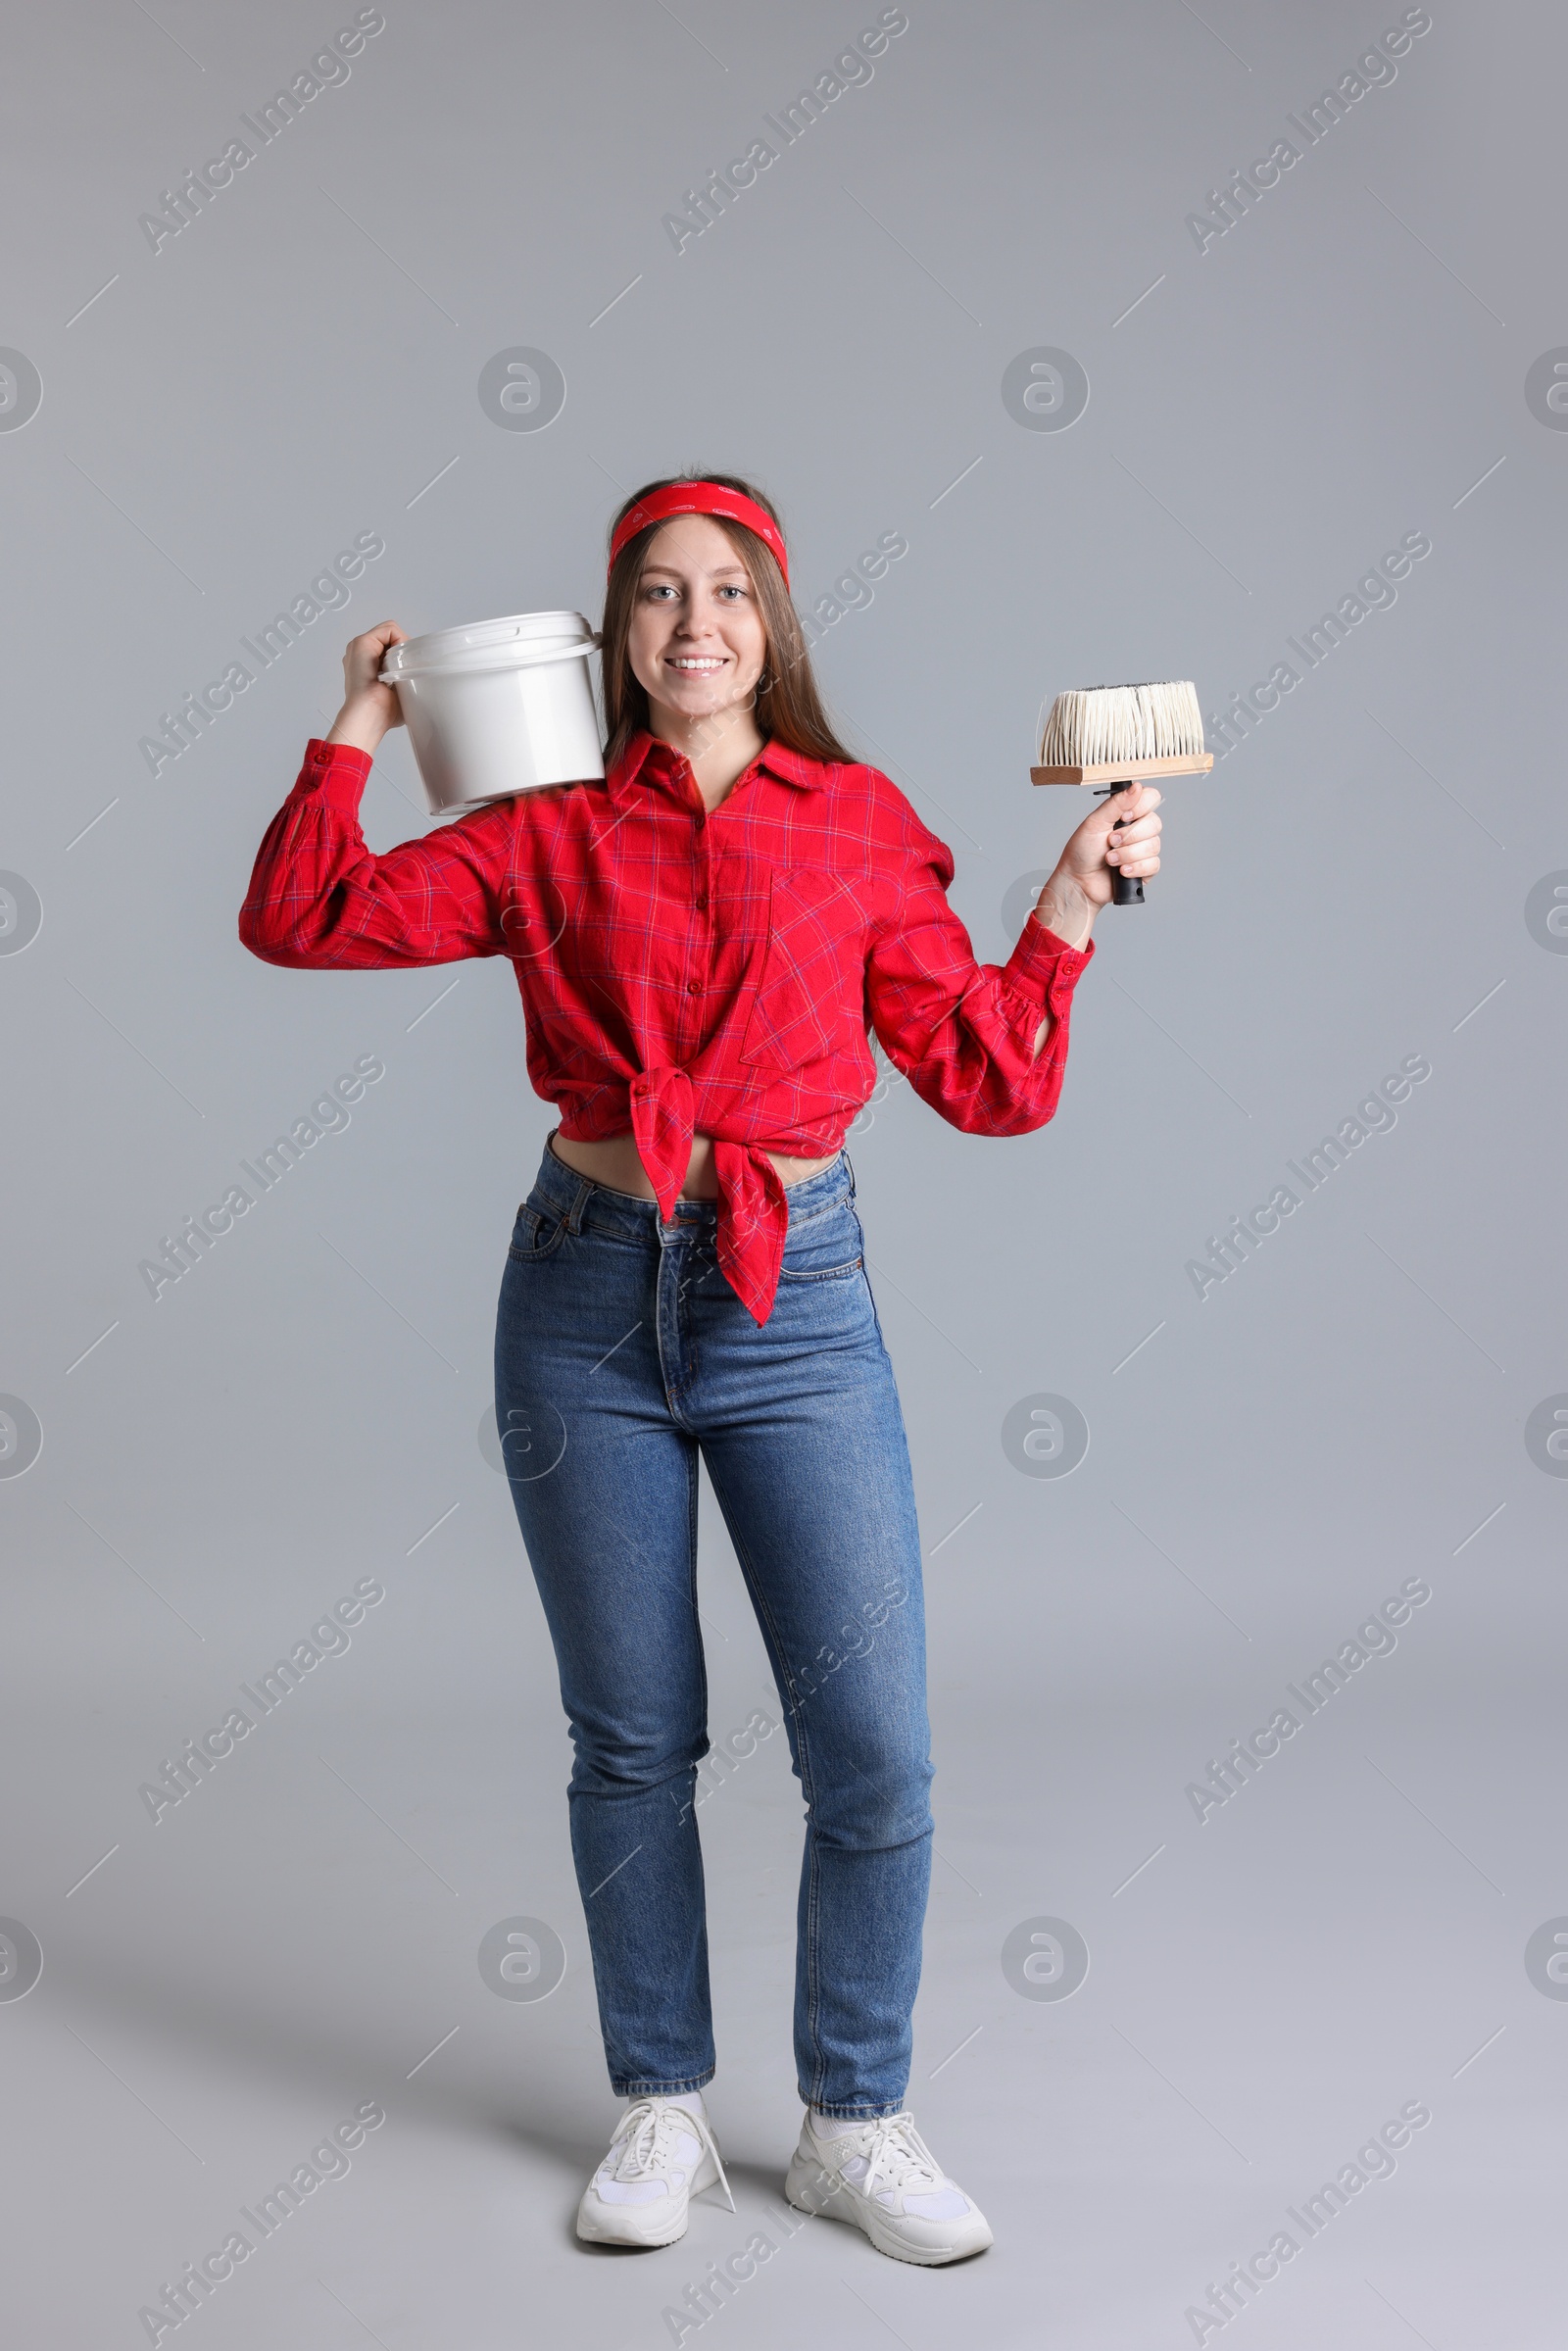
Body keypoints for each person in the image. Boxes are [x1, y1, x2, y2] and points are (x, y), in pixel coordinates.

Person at [238, 472, 1161, 2267]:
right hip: (582, 1300)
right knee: (631, 1740)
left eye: (727, 592)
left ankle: (852, 2122)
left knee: (874, 1753)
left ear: (775, 622)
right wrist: (358, 725)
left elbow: (988, 1075)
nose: (693, 625)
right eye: (655, 593)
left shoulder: (863, 825)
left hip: (793, 1302)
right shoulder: (542, 823)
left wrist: (1068, 901)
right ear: (614, 629)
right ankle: (660, 2103)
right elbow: (301, 916)